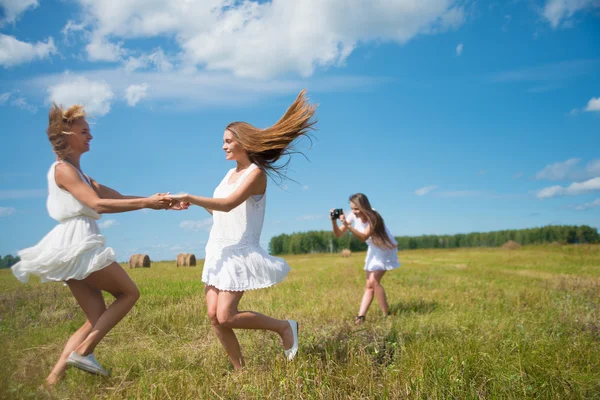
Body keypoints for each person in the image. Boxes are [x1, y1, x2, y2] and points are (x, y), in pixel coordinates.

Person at [11, 103, 184, 385]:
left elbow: (117, 196)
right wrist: (147, 203)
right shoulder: (63, 170)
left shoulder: (83, 176)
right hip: (78, 242)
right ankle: (85, 351)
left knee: (95, 316)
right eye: (84, 131)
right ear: (67, 135)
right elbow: (97, 204)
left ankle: (52, 380)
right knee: (129, 293)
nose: (90, 136)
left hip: (70, 245)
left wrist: (159, 203)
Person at [169, 90, 317, 370]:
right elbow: (222, 211)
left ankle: (285, 327)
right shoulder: (229, 173)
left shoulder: (255, 174)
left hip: (239, 250)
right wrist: (198, 205)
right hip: (218, 248)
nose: (223, 147)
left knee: (226, 315)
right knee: (214, 317)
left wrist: (189, 196)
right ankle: (241, 370)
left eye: (227, 141)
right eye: (222, 142)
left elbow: (228, 204)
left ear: (243, 142)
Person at [331, 193, 400, 325]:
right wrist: (334, 221)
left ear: (364, 207)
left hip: (384, 248)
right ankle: (360, 317)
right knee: (368, 285)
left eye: (356, 209)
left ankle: (387, 315)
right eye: (352, 208)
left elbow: (363, 237)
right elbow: (338, 234)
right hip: (373, 249)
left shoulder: (373, 216)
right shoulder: (353, 215)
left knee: (374, 282)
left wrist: (348, 225)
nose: (354, 212)